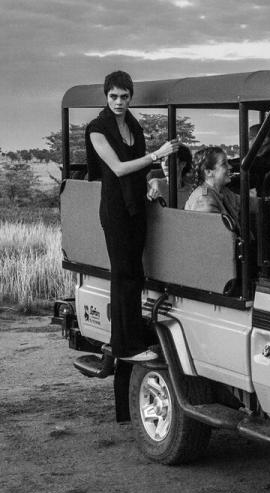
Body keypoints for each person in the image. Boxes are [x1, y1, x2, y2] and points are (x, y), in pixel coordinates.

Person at [85, 70, 181, 362]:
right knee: (123, 274)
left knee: (136, 275)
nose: (119, 101)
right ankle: (123, 347)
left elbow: (137, 170)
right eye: (113, 96)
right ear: (106, 96)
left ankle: (135, 340)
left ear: (131, 97)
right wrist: (157, 154)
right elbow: (117, 168)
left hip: (136, 206)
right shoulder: (97, 128)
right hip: (115, 210)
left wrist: (151, 182)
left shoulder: (133, 126)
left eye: (124, 96)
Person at [183, 146, 243, 223]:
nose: (230, 167)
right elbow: (213, 232)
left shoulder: (223, 192)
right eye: (224, 164)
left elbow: (246, 202)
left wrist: (263, 202)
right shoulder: (204, 201)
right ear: (208, 172)